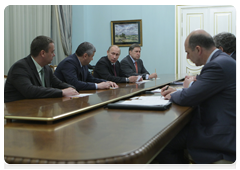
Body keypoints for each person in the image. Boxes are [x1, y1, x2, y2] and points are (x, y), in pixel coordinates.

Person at [155, 30, 238, 168]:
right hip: (226, 126)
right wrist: (179, 91)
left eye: (187, 52)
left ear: (198, 49)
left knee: (161, 146)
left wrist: (173, 95)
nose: (187, 57)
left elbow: (188, 97)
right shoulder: (222, 60)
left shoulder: (217, 64)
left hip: (221, 135)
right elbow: (199, 90)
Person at [4, 36, 79, 103]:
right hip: (17, 112)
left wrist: (71, 89)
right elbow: (29, 91)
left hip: (39, 108)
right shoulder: (20, 67)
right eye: (52, 52)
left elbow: (58, 83)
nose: (54, 55)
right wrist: (62, 92)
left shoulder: (46, 68)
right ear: (42, 53)